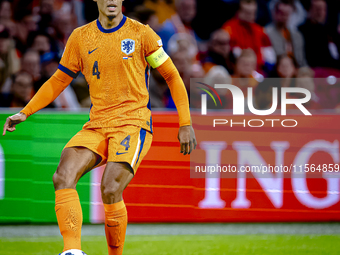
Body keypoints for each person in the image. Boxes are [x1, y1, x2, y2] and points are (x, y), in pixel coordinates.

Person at [2, 1, 196, 255]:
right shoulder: (80, 37)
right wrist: (26, 111)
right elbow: (59, 79)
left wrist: (185, 123)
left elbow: (172, 75)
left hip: (132, 123)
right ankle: (72, 251)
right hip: (97, 124)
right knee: (62, 176)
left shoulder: (142, 34)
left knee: (110, 189)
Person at [266, 0, 307, 67]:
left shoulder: (296, 35)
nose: (283, 17)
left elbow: (301, 60)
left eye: (286, 14)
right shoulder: (267, 33)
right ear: (275, 13)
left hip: (296, 70)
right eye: (281, 13)